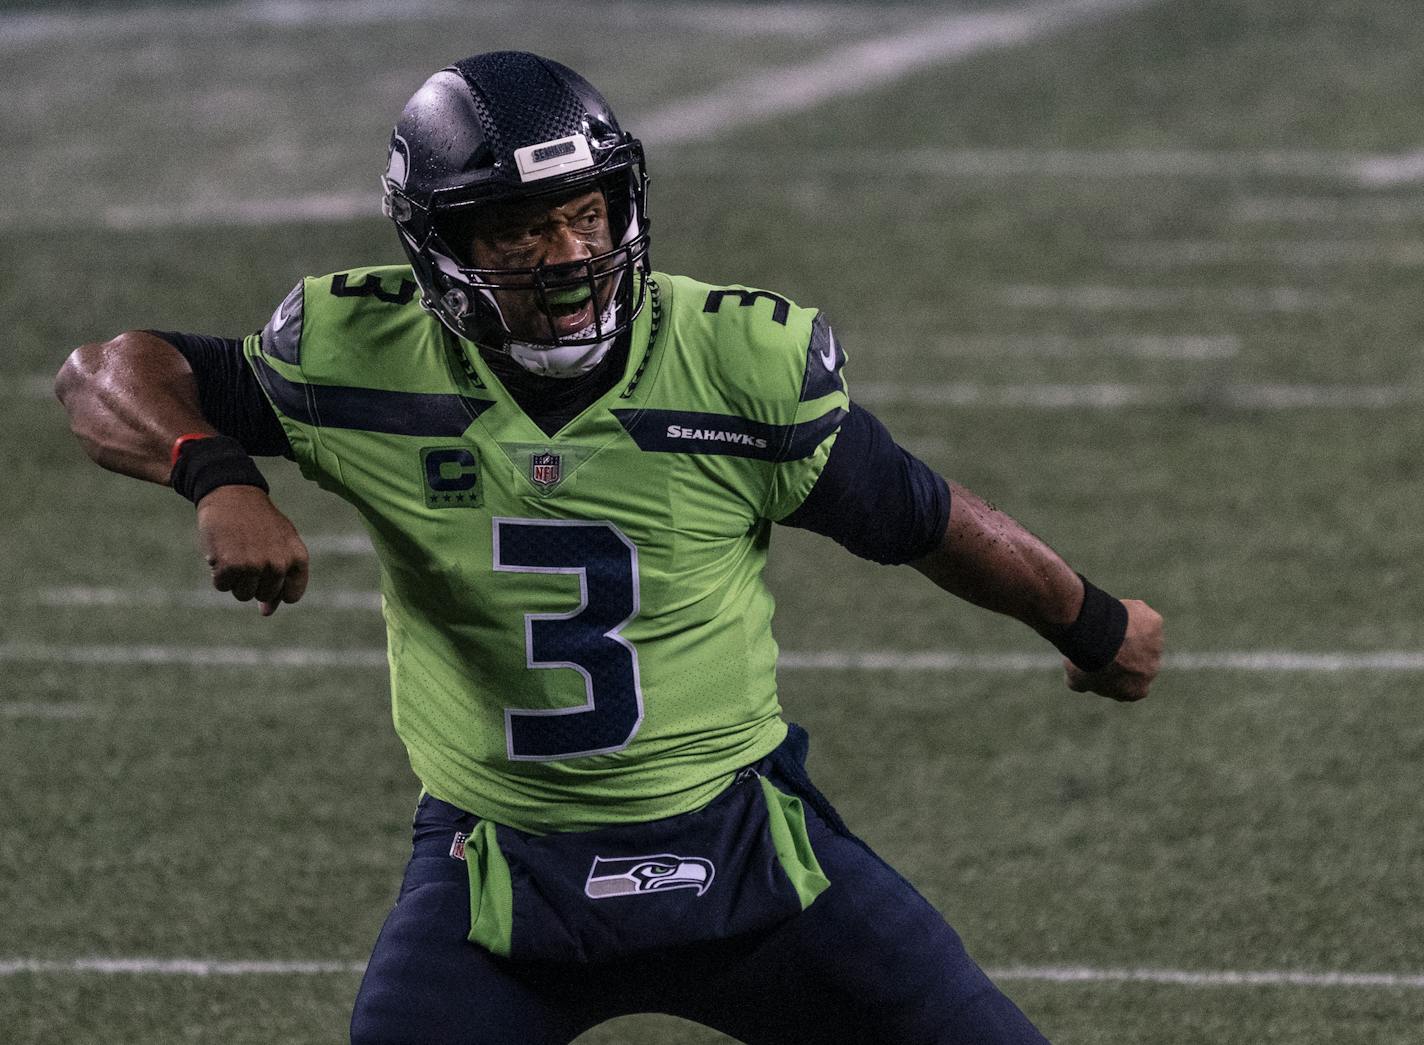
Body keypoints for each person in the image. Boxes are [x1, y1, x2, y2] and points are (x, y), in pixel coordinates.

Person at [55, 51, 1163, 1045]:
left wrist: (1087, 620)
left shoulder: (733, 362)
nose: (568, 254)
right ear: (439, 245)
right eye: (520, 229)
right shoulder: (360, 353)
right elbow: (107, 369)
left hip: (743, 841)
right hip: (495, 869)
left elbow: (921, 517)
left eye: (585, 214)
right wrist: (217, 472)